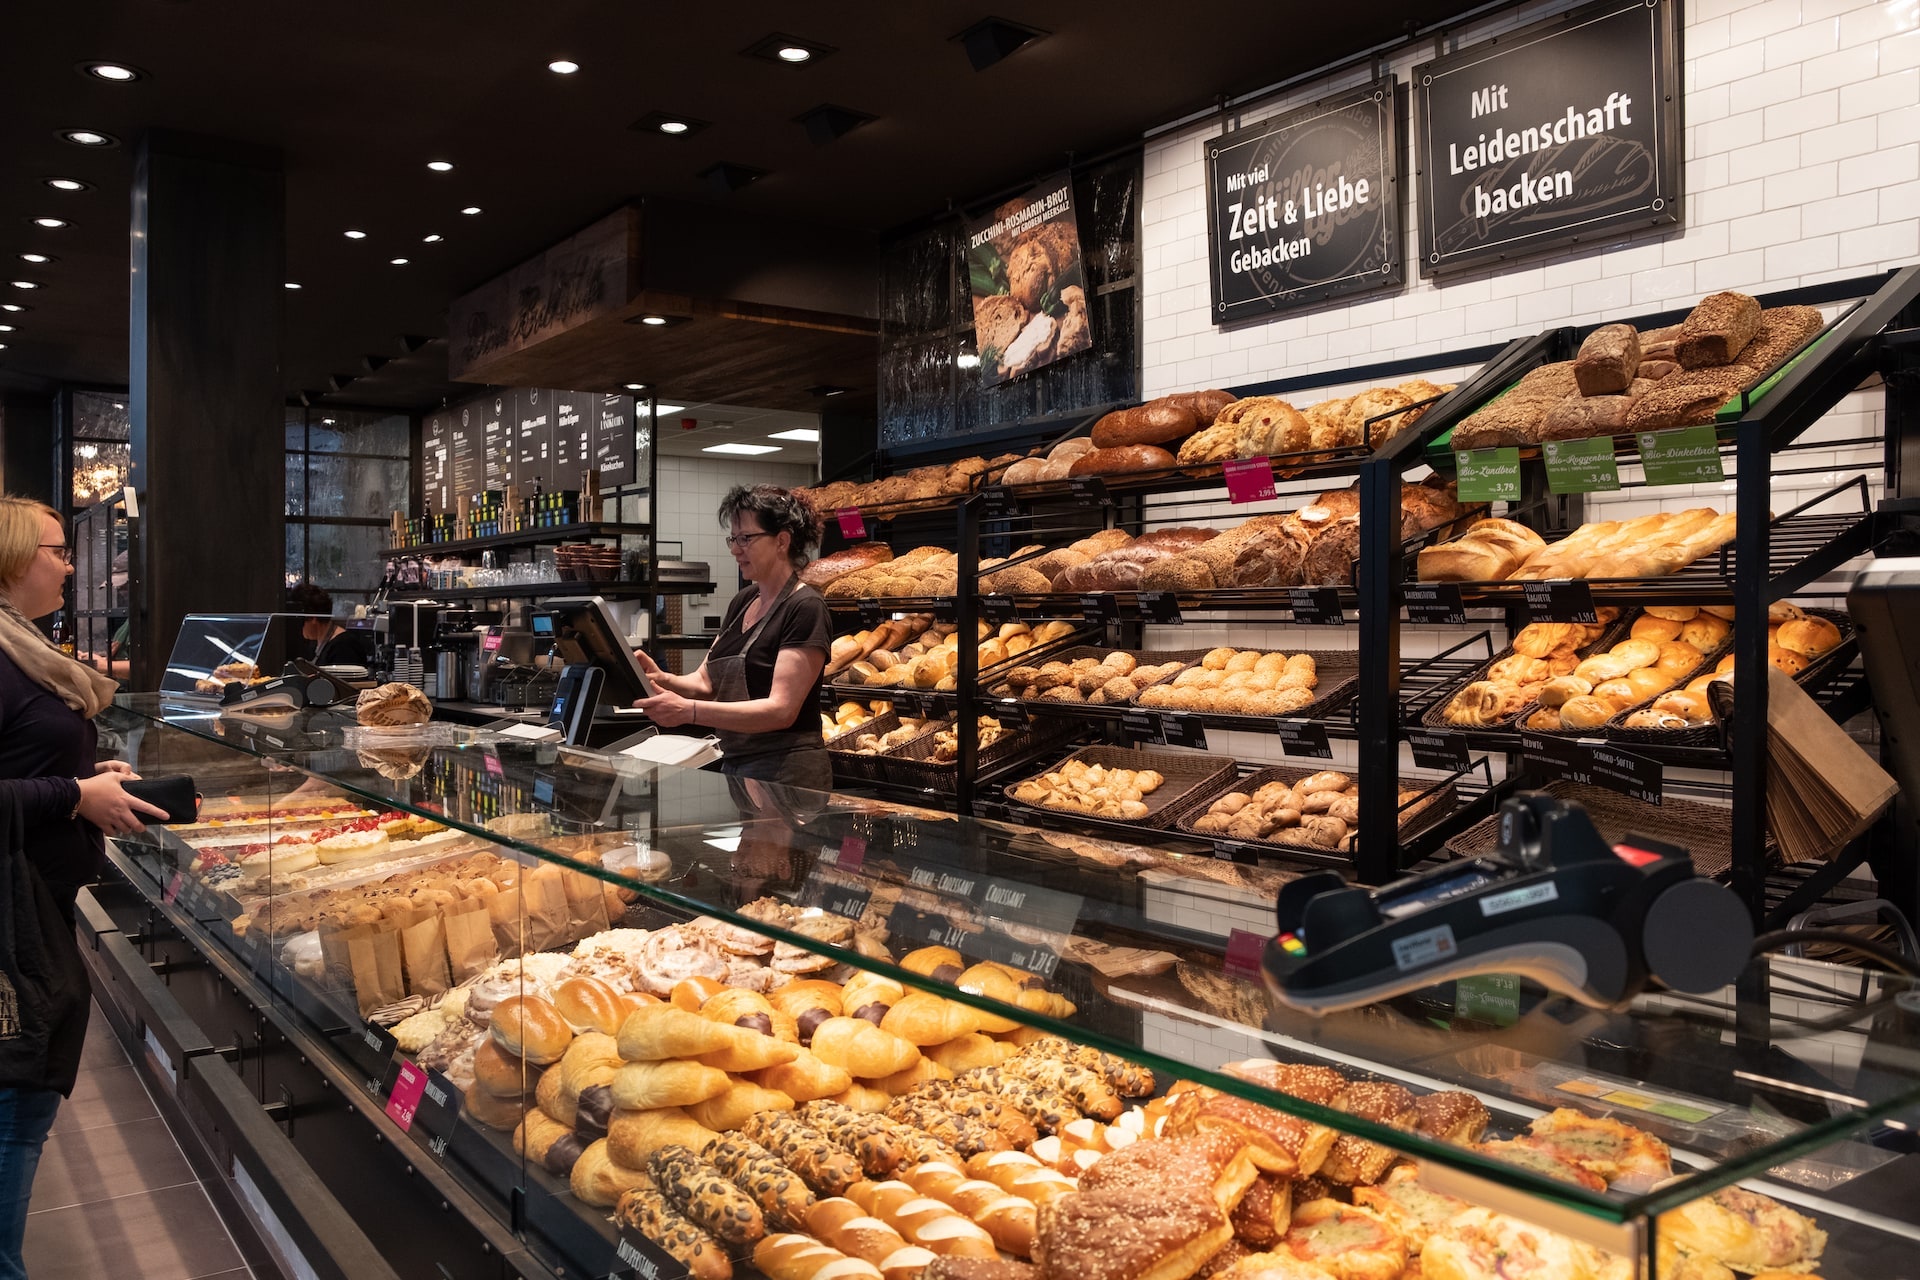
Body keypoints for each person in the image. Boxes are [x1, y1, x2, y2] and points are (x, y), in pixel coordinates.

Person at [0, 496, 165, 1277]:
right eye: (59, 551)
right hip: (9, 921)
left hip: (34, 905)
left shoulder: (21, 645)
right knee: (13, 1103)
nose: (71, 565)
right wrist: (71, 796)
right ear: (11, 557)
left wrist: (81, 777)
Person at [633, 485, 832, 790]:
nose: (735, 549)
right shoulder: (742, 602)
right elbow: (705, 682)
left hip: (788, 776)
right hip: (739, 767)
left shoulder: (805, 608)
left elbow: (781, 710)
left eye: (746, 539)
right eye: (733, 538)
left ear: (782, 541)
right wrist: (663, 679)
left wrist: (690, 711)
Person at [288, 581, 377, 667]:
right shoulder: (315, 645)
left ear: (313, 618)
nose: (298, 626)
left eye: (299, 618)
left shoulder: (344, 646)